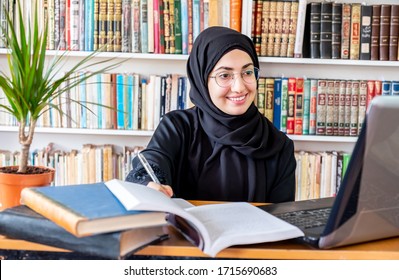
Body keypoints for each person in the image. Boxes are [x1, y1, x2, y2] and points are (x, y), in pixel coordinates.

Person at [126, 26, 296, 203]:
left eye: (247, 72)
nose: (239, 87)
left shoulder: (279, 145)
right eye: (224, 75)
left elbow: (282, 218)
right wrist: (149, 183)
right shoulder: (178, 126)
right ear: (202, 80)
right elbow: (153, 161)